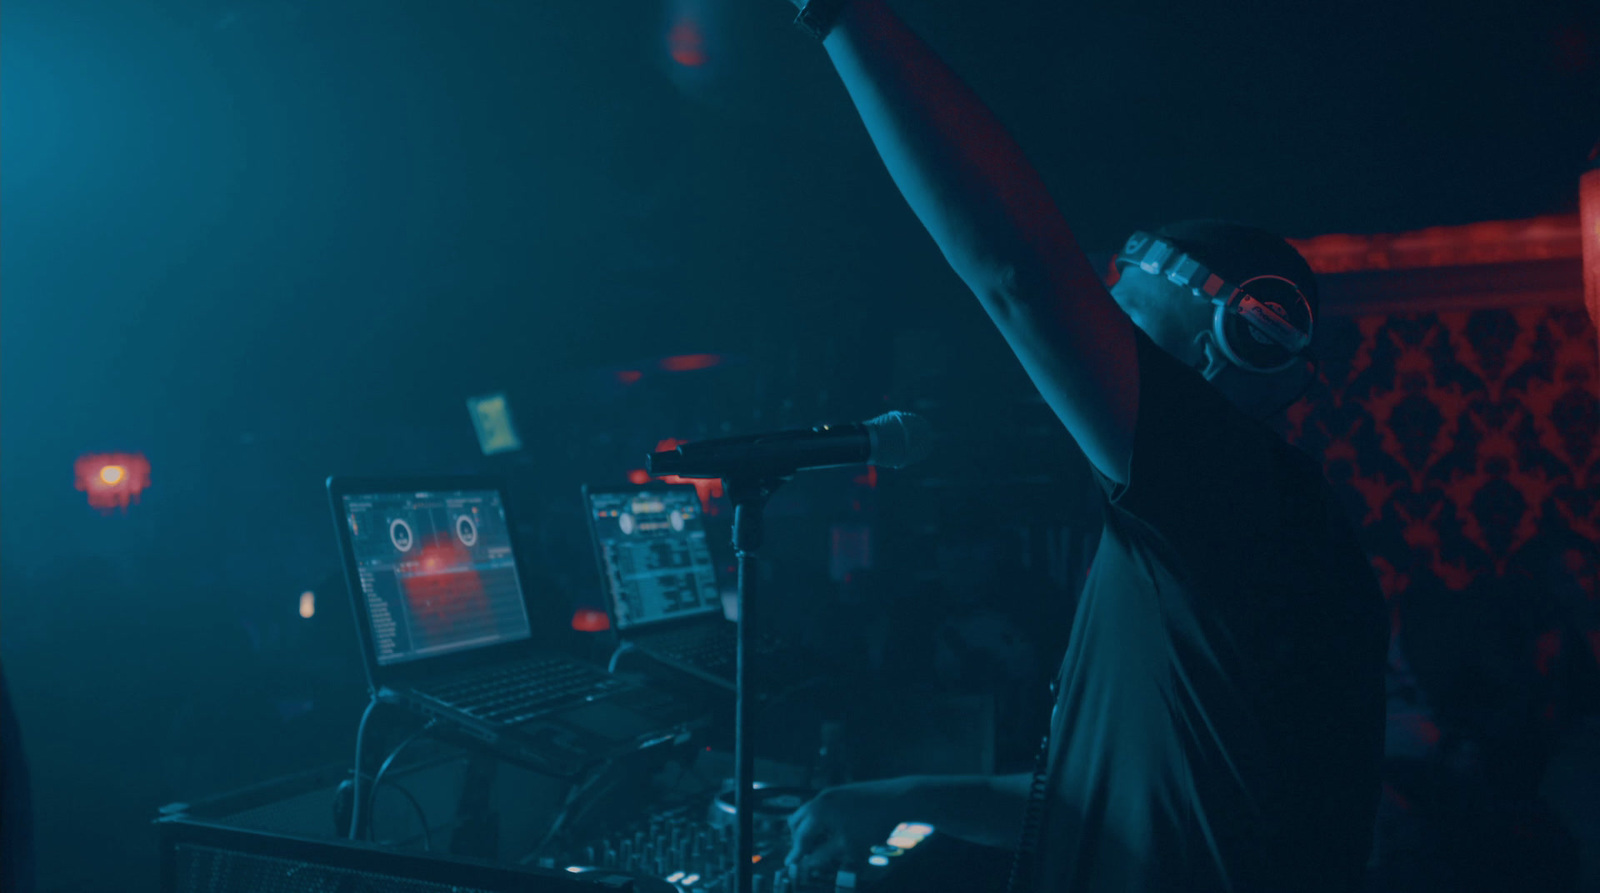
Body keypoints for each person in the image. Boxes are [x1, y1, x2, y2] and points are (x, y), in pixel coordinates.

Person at [774, 2, 1389, 891]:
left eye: (1124, 326)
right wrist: (897, 793)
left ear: (1229, 346)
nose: (1093, 345)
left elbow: (1019, 274)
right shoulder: (1218, 529)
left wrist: (837, 15)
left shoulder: (1237, 491)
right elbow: (1088, 798)